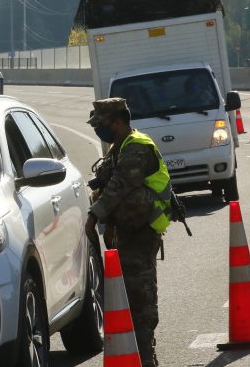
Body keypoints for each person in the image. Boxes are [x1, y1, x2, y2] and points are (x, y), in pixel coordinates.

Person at [84, 98, 173, 367]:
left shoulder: (137, 148)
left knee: (140, 298)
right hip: (127, 231)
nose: (98, 130)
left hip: (142, 231)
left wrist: (93, 216)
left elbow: (119, 187)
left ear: (119, 121)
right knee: (128, 297)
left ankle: (145, 358)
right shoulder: (119, 147)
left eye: (101, 124)